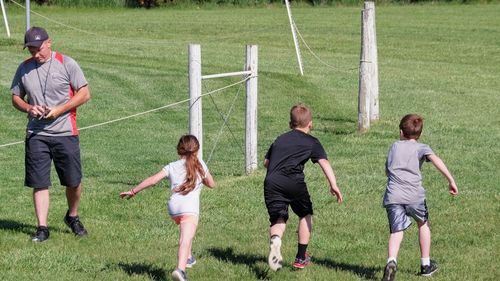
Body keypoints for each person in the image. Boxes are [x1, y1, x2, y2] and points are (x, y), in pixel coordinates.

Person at [10, 26, 91, 242]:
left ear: (49, 43)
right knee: (39, 182)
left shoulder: (67, 63)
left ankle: (72, 216)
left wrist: (59, 110)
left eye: (38, 49)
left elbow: (84, 93)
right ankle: (42, 228)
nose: (35, 54)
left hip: (65, 132)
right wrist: (29, 108)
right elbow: (16, 97)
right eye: (31, 50)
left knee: (73, 181)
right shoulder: (24, 68)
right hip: (36, 133)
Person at [120, 135, 215, 281]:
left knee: (186, 235)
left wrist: (133, 191)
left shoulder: (171, 166)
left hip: (174, 208)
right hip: (189, 209)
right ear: (197, 150)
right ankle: (180, 270)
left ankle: (188, 257)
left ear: (179, 151)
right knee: (185, 238)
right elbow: (211, 184)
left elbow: (152, 180)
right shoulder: (200, 164)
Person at [263, 103, 343, 271]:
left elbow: (266, 163)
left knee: (278, 217)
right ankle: (301, 257)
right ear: (310, 124)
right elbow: (324, 163)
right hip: (294, 182)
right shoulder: (312, 142)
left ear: (290, 124)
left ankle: (276, 239)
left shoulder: (280, 139)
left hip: (272, 182)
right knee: (305, 214)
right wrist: (333, 184)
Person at [381, 114, 458, 281]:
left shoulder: (394, 146)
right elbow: (435, 159)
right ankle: (425, 264)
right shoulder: (422, 147)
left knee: (396, 230)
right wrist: (450, 180)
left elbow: (387, 170)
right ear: (420, 134)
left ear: (401, 132)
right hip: (415, 196)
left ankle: (391, 261)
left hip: (393, 195)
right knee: (423, 224)